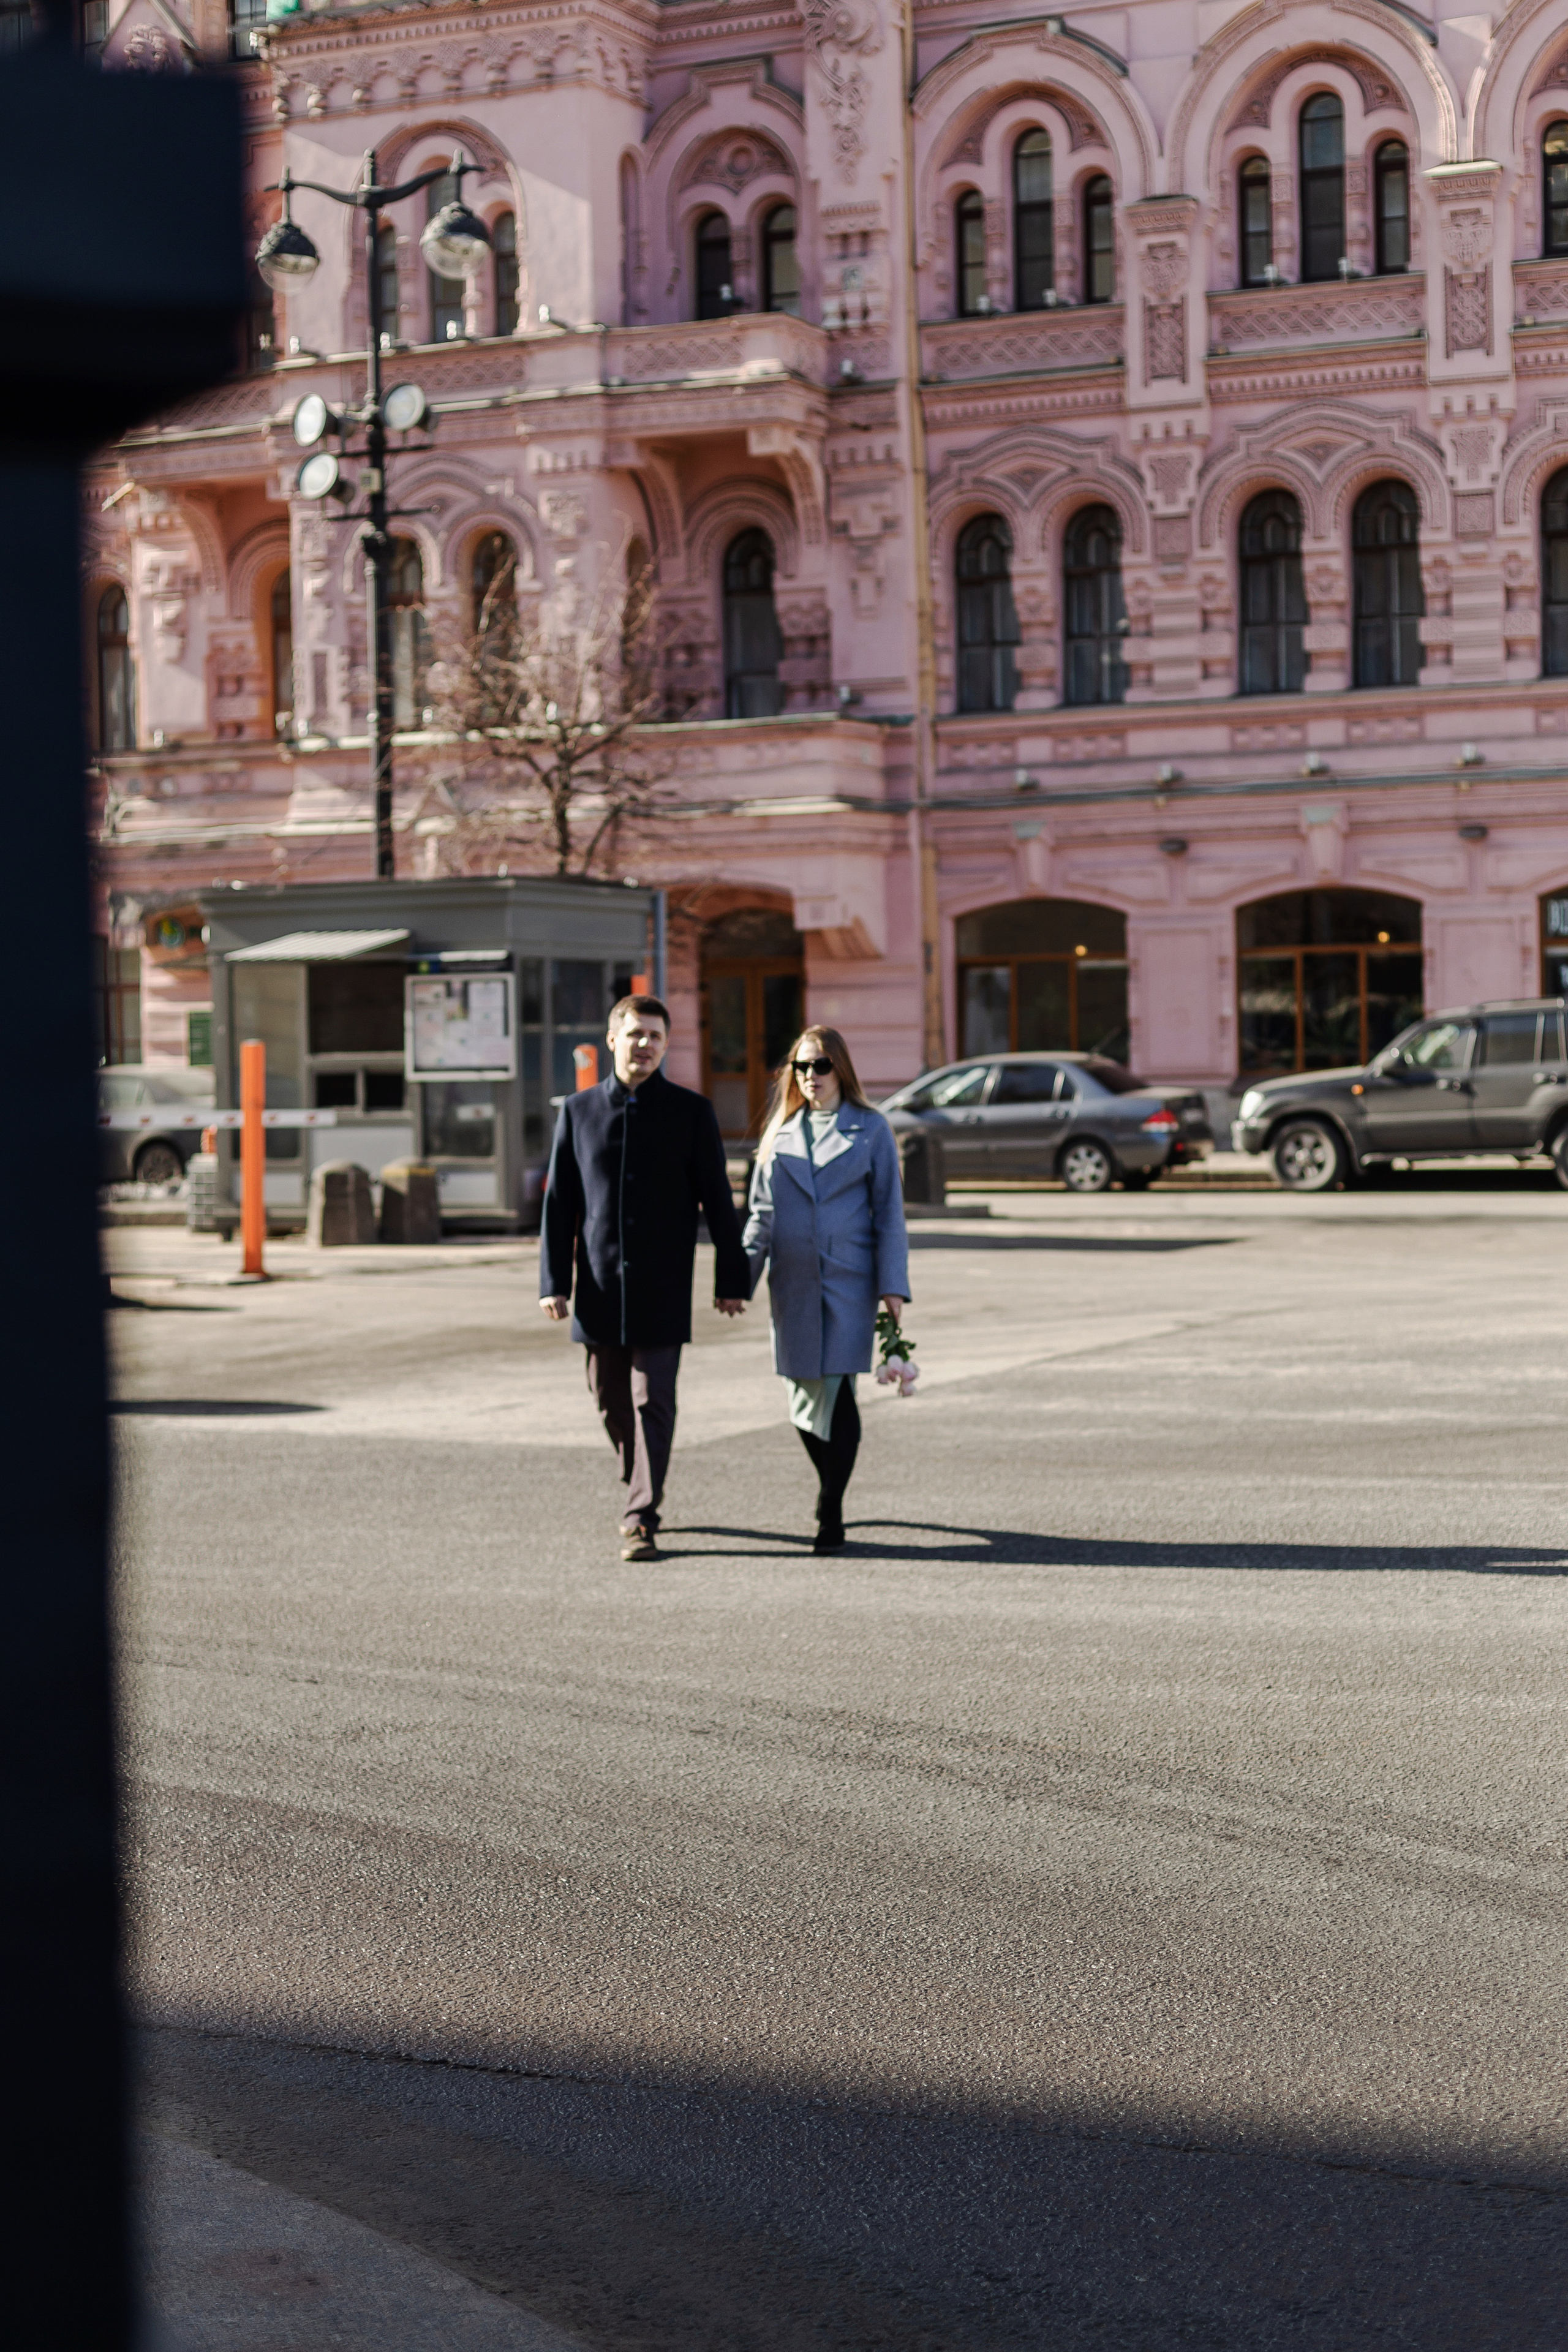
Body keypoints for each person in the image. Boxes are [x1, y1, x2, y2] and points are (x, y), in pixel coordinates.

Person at [540, 995, 749, 1562]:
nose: (646, 1045)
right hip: (600, 1291)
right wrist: (553, 1281)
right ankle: (636, 1475)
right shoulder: (578, 1112)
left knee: (654, 1400)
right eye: (635, 1034)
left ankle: (641, 1515)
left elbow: (719, 1205)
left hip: (662, 1289)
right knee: (610, 1401)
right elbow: (561, 1205)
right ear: (612, 1040)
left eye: (656, 1036)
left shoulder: (691, 1112)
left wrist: (732, 1279)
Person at [743, 1025, 910, 1552]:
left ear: (841, 1069)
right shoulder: (780, 1133)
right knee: (801, 1395)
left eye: (821, 1066)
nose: (811, 1077)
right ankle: (828, 1486)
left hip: (848, 1280)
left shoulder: (872, 1129)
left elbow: (890, 1214)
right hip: (791, 1284)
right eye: (802, 1067)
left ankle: (831, 1507)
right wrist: (737, 1281)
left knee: (838, 1394)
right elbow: (760, 1217)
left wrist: (893, 1287)